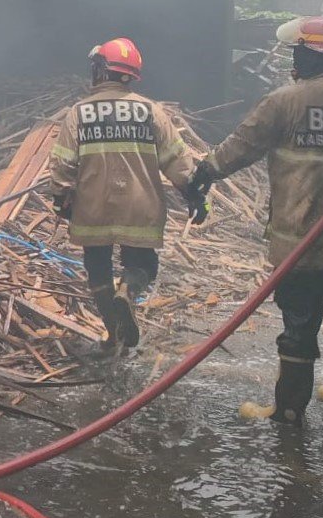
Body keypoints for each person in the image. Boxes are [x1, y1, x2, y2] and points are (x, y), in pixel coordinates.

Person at [186, 16, 323, 423]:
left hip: (300, 244)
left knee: (299, 324)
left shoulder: (285, 102)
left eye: (297, 53)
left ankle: (289, 409)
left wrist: (206, 171)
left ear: (313, 56)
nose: (293, 62)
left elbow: (242, 145)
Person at [47, 38, 205, 351]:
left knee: (98, 271)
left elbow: (63, 163)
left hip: (93, 209)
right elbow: (177, 160)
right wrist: (194, 195)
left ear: (101, 70)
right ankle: (128, 292)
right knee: (143, 265)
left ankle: (113, 334)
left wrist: (61, 198)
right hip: (139, 209)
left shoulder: (79, 113)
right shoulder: (151, 111)